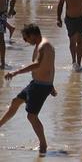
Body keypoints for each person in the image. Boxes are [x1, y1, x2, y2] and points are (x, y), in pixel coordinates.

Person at [0, 24, 56, 154]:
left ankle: (43, 145)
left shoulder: (43, 46)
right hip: (35, 84)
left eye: (26, 39)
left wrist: (15, 72)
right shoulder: (40, 45)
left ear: (33, 35)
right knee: (15, 102)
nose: (26, 41)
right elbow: (49, 67)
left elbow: (38, 64)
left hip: (41, 86)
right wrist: (52, 86)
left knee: (31, 116)